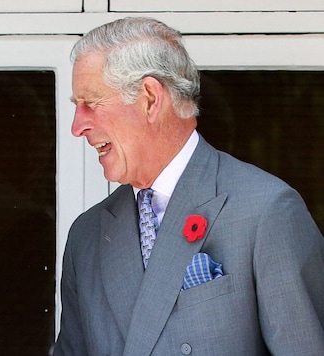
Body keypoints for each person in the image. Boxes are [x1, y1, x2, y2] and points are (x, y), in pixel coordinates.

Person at [53, 17, 324, 355]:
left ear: (151, 98)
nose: (78, 127)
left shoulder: (265, 211)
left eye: (90, 103)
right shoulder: (87, 234)